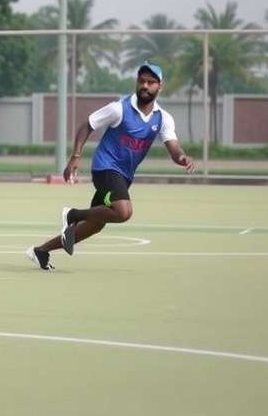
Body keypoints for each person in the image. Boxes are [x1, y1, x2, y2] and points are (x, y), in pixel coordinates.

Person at [26, 62, 195, 270]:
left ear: (160, 86)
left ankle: (41, 251)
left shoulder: (163, 119)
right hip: (105, 168)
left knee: (95, 225)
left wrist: (182, 158)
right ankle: (73, 214)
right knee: (123, 211)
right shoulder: (119, 109)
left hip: (124, 176)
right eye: (142, 81)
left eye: (151, 82)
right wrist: (76, 156)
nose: (145, 85)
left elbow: (174, 147)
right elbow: (87, 125)